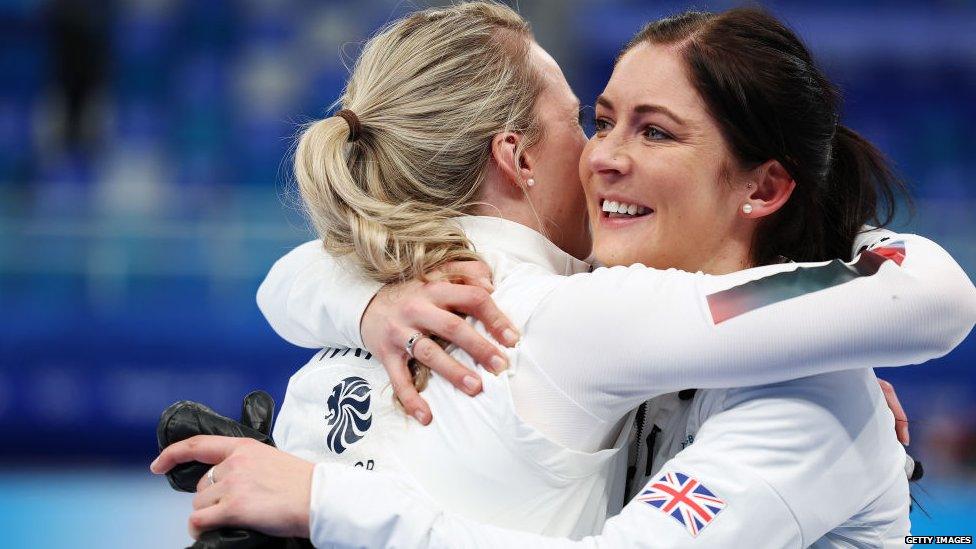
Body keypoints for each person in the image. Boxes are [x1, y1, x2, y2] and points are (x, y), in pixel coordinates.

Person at [151, 4, 976, 547]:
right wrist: (370, 300)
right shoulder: (587, 303)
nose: (604, 157)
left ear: (763, 185)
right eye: (599, 120)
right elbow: (296, 275)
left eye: (653, 132)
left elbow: (927, 297)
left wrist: (323, 503)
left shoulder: (802, 389)